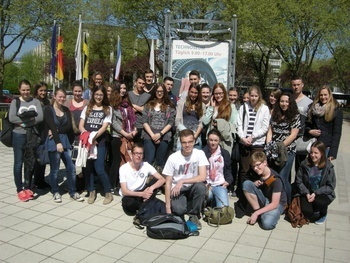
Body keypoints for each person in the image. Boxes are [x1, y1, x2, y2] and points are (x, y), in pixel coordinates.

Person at [163, 129, 209, 230]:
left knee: (201, 187)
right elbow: (168, 183)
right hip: (178, 190)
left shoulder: (199, 154)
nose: (187, 145)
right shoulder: (173, 158)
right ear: (180, 142)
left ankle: (194, 215)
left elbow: (202, 177)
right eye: (184, 142)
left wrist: (182, 181)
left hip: (192, 187)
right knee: (179, 210)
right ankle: (184, 206)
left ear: (194, 141)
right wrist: (168, 208)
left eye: (190, 142)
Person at [44, 88, 84, 203]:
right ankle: (55, 191)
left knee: (71, 168)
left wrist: (56, 130)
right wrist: (57, 142)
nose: (61, 99)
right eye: (59, 96)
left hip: (65, 141)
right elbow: (51, 125)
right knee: (55, 169)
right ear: (55, 96)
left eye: (63, 97)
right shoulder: (48, 109)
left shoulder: (66, 110)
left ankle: (73, 191)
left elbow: (68, 127)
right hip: (54, 142)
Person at [9, 79, 44, 201]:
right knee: (18, 162)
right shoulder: (15, 102)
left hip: (32, 136)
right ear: (19, 90)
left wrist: (24, 123)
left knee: (30, 162)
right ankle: (19, 188)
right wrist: (26, 124)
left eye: (28, 89)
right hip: (19, 135)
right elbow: (12, 118)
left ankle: (28, 186)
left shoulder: (35, 101)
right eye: (23, 89)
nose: (25, 92)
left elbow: (40, 117)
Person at [79, 86, 114, 205]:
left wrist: (94, 137)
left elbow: (104, 126)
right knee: (88, 168)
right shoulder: (87, 108)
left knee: (99, 168)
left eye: (101, 95)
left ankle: (108, 192)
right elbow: (81, 125)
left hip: (100, 142)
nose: (98, 97)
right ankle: (91, 191)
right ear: (93, 95)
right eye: (96, 94)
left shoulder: (108, 109)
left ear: (104, 96)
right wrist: (88, 137)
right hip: (87, 143)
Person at [266, 92, 300, 204]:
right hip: (273, 151)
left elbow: (293, 135)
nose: (284, 104)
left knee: (283, 177)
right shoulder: (274, 113)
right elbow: (270, 131)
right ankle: (275, 201)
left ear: (290, 103)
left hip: (287, 151)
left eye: (286, 101)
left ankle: (288, 203)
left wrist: (280, 146)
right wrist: (269, 145)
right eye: (282, 101)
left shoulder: (295, 115)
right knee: (273, 177)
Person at [236, 85, 270, 197]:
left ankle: (257, 193)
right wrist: (243, 137)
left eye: (256, 96)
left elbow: (265, 127)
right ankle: (243, 194)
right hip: (245, 142)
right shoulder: (243, 107)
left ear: (259, 96)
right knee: (244, 170)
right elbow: (239, 124)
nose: (253, 98)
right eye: (251, 95)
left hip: (257, 143)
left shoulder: (264, 108)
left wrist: (252, 136)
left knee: (257, 168)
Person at [243, 151, 287, 230]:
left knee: (267, 224)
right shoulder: (257, 173)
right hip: (265, 199)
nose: (255, 169)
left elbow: (274, 204)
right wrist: (254, 182)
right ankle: (259, 212)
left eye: (257, 165)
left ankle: (261, 213)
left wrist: (256, 213)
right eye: (253, 166)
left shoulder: (276, 179)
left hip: (277, 203)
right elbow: (246, 181)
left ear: (265, 163)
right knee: (247, 184)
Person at [295, 141, 336, 225]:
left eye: (316, 153)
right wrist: (306, 193)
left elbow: (330, 186)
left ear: (322, 153)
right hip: (307, 192)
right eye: (311, 152)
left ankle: (323, 213)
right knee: (307, 212)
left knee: (320, 202)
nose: (313, 155)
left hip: (322, 193)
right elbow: (298, 181)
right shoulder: (304, 164)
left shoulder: (328, 167)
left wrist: (316, 193)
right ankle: (313, 209)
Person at [119, 143, 165, 215]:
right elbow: (124, 191)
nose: (139, 156)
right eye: (136, 153)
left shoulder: (146, 165)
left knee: (155, 182)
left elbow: (162, 179)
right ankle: (147, 204)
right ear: (132, 154)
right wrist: (142, 194)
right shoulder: (123, 168)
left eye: (141, 153)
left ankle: (145, 204)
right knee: (128, 204)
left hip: (142, 191)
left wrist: (151, 188)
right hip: (130, 194)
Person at [110, 81, 137, 191]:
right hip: (117, 137)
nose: (123, 90)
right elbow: (114, 122)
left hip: (129, 136)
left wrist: (134, 130)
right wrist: (125, 133)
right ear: (116, 90)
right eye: (121, 88)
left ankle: (123, 184)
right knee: (116, 161)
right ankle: (112, 185)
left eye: (125, 88)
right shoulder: (112, 105)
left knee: (126, 161)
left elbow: (133, 119)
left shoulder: (127, 103)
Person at [142, 83, 176, 170]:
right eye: (157, 91)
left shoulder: (170, 106)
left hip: (164, 135)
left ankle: (160, 181)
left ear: (164, 92)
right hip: (149, 135)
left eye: (161, 91)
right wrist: (152, 135)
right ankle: (146, 181)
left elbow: (170, 122)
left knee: (160, 161)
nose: (159, 93)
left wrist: (160, 134)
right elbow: (144, 121)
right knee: (149, 160)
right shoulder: (148, 105)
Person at [306, 85, 343, 160]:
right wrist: (309, 131)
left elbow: (337, 133)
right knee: (311, 170)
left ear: (329, 95)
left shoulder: (336, 110)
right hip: (313, 146)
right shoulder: (312, 108)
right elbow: (307, 124)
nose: (323, 97)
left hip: (326, 147)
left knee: (322, 170)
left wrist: (333, 152)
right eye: (321, 95)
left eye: (325, 95)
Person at [202, 83, 238, 154]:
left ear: (224, 93)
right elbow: (205, 122)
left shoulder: (231, 106)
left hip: (224, 140)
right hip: (212, 139)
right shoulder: (210, 106)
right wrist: (211, 107)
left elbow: (234, 124)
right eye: (216, 94)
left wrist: (220, 124)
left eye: (221, 93)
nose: (218, 96)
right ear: (213, 95)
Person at [202, 129, 232, 207]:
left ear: (219, 141)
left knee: (223, 208)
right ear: (207, 140)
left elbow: (228, 169)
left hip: (220, 184)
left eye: (215, 140)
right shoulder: (202, 153)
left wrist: (228, 181)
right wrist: (204, 184)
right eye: (211, 140)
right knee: (208, 196)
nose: (213, 143)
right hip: (207, 184)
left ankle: (215, 203)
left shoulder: (224, 153)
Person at [291, 76, 313, 173]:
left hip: (301, 139)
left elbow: (311, 121)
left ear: (302, 85)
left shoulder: (309, 102)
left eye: (298, 85)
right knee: (286, 167)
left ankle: (298, 186)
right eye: (294, 85)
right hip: (288, 138)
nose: (296, 87)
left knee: (300, 168)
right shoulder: (287, 99)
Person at [32, 81, 51, 190]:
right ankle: (34, 181)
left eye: (45, 90)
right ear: (36, 91)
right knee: (35, 158)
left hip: (45, 132)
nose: (43, 92)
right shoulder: (34, 102)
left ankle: (40, 180)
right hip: (36, 133)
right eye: (41, 90)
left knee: (42, 157)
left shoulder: (47, 102)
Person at [175, 83, 204, 150]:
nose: (193, 95)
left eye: (196, 93)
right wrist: (188, 133)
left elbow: (201, 123)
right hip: (183, 137)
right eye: (192, 92)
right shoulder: (181, 104)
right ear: (188, 91)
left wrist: (195, 135)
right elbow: (177, 121)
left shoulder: (202, 106)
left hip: (196, 138)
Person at [128, 76, 151, 142]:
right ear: (135, 83)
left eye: (143, 83)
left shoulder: (147, 96)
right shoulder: (129, 94)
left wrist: (134, 106)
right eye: (139, 83)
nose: (141, 85)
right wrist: (139, 108)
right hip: (130, 126)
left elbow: (146, 110)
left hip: (142, 126)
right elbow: (126, 109)